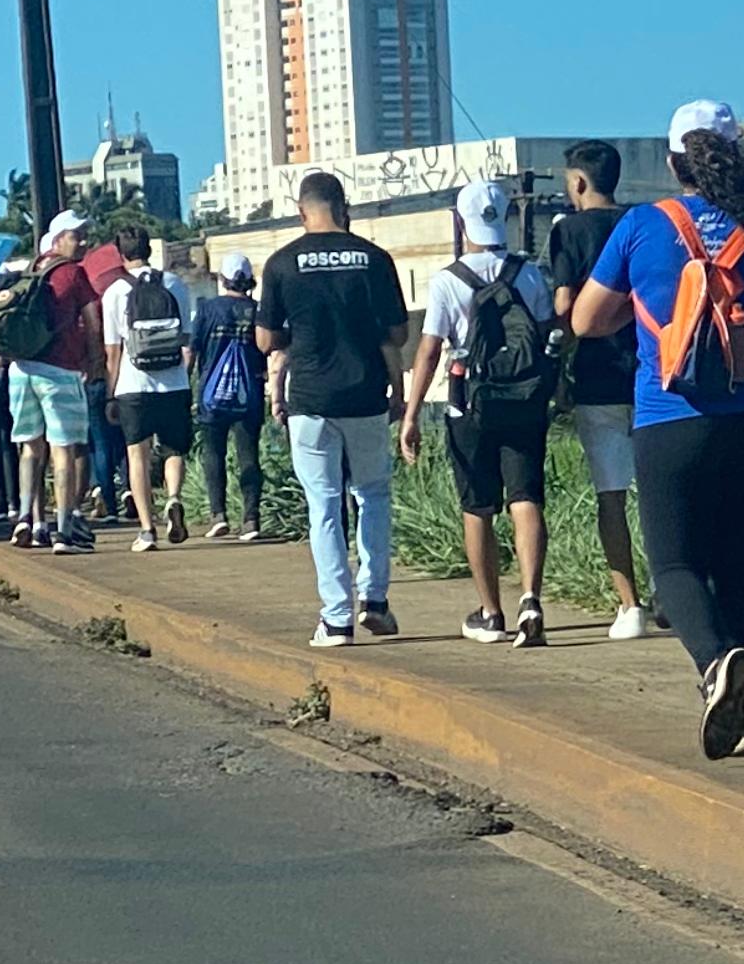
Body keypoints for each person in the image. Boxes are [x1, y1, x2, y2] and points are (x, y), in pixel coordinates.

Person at [564, 104, 744, 751]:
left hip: (672, 417)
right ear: (738, 155)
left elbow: (586, 320)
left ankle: (715, 665)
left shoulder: (645, 225)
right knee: (738, 564)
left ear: (673, 163)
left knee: (673, 562)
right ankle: (742, 721)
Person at [403, 178, 563, 648]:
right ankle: (531, 598)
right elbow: (548, 336)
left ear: (462, 222)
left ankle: (492, 613)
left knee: (478, 507)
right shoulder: (528, 274)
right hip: (524, 400)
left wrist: (411, 415)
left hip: (468, 403)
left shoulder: (448, 280)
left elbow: (429, 350)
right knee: (525, 496)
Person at [259, 171, 409, 647]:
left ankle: (337, 618)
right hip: (366, 393)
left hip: (311, 399)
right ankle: (375, 599)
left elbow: (265, 338)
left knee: (323, 504)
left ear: (301, 211)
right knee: (373, 494)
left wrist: (297, 335)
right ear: (345, 208)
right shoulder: (375, 258)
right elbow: (398, 333)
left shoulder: (282, 263)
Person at [543, 143, 653, 640]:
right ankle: (672, 589)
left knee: (612, 496)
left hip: (596, 378)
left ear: (579, 182)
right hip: (651, 374)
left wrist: (559, 371)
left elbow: (565, 307)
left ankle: (630, 606)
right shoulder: (644, 223)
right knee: (659, 493)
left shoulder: (568, 231)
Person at [10, 210, 125, 548]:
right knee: (64, 450)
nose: (83, 241)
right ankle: (64, 528)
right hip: (59, 371)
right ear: (59, 238)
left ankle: (27, 520)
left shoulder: (31, 269)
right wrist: (96, 362)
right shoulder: (74, 273)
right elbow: (92, 322)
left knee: (30, 448)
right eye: (77, 235)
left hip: (21, 371)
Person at [104, 237, 197, 550]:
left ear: (121, 254)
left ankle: (147, 530)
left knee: (137, 456)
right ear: (149, 250)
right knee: (174, 450)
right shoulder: (174, 284)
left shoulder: (115, 291)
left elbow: (113, 351)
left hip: (133, 386)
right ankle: (173, 498)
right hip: (173, 382)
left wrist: (110, 393)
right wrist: (184, 376)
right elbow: (186, 339)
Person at [190, 250, 267, 542]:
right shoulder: (258, 311)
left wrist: (186, 387)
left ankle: (218, 515)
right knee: (249, 455)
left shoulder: (208, 309)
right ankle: (251, 518)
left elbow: (192, 351)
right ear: (250, 280)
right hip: (249, 395)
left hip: (212, 395)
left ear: (222, 279)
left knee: (213, 453)